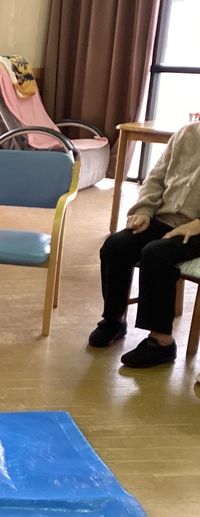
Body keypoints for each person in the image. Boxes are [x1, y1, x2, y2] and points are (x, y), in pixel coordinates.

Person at [88, 121, 200, 367]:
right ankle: (114, 320)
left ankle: (161, 342)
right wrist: (145, 210)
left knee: (156, 254)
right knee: (115, 245)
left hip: (198, 229)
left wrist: (196, 225)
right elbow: (156, 178)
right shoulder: (186, 133)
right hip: (164, 218)